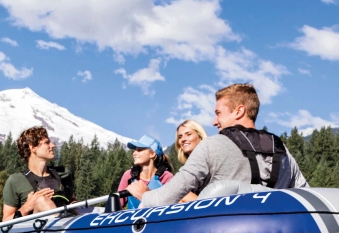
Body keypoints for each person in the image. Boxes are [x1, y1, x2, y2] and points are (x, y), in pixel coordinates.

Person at [126, 83, 308, 207]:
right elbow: (306, 194)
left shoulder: (211, 146)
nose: (214, 121)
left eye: (218, 113)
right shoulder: (282, 150)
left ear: (239, 111)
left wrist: (144, 194)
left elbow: (165, 198)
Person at [2, 126, 74, 221]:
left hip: (68, 226)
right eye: (47, 142)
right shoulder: (16, 181)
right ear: (33, 148)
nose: (52, 145)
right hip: (36, 230)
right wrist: (27, 207)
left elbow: (73, 200)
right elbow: (5, 220)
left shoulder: (62, 174)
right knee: (41, 200)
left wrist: (74, 204)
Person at [117, 135, 174, 209]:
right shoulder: (128, 175)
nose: (134, 153)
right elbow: (118, 204)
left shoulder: (166, 177)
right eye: (135, 150)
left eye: (139, 150)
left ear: (152, 154)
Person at [175, 119, 208, 203]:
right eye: (180, 136)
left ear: (200, 136)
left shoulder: (210, 160)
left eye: (188, 134)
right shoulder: (185, 168)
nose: (183, 139)